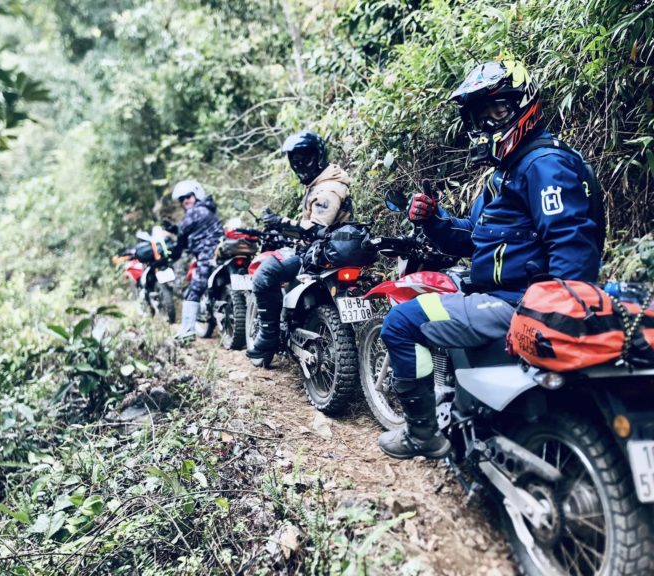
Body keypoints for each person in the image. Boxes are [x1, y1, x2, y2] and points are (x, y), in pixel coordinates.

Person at [378, 60, 602, 459]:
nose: (490, 122)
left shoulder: (542, 164)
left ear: (523, 104)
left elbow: (571, 240)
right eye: (481, 115)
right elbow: (475, 239)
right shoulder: (505, 173)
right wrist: (433, 220)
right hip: (505, 294)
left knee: (399, 323)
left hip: (517, 302)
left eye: (498, 109)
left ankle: (422, 434)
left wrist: (557, 314)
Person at [246, 130, 353, 363]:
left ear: (319, 156)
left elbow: (316, 228)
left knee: (264, 275)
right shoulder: (321, 183)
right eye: (295, 160)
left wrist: (282, 222)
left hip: (320, 251)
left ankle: (268, 337)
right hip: (327, 249)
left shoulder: (328, 189)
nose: (300, 164)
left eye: (305, 158)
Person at [167, 180, 224, 342]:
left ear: (197, 195)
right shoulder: (207, 210)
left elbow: (182, 236)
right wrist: (174, 229)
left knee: (193, 291)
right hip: (216, 253)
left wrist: (173, 252)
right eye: (182, 199)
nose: (185, 200)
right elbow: (185, 230)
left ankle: (187, 332)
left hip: (207, 255)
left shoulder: (196, 212)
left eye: (188, 196)